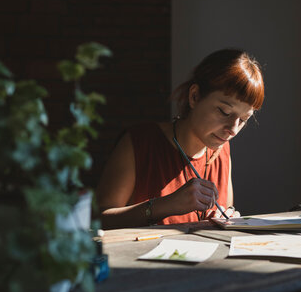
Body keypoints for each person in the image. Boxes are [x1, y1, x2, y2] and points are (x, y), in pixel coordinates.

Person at [96, 48, 265, 229]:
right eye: (224, 112)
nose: (232, 129)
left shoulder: (222, 151)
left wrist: (223, 217)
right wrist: (166, 205)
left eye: (243, 120)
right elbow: (98, 219)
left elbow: (222, 212)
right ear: (194, 96)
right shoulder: (139, 143)